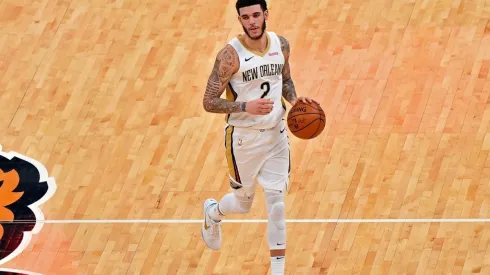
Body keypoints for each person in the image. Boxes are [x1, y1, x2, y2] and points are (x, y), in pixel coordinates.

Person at [201, 0, 317, 274]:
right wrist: (244, 107)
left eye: (256, 15)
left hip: (276, 134)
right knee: (243, 204)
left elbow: (284, 80)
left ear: (265, 15)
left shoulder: (281, 45)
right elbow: (208, 101)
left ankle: (278, 270)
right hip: (243, 139)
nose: (252, 21)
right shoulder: (230, 55)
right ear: (239, 20)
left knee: (277, 204)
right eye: (245, 17)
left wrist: (296, 100)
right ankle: (214, 213)